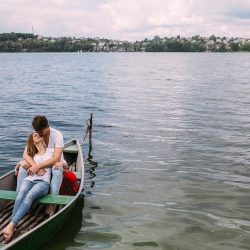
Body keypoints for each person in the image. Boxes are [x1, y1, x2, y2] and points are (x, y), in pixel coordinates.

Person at [2, 133, 53, 242]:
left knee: (29, 196)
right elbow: (21, 163)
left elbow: (62, 162)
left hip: (43, 182)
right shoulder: (32, 154)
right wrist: (20, 163)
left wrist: (60, 165)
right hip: (29, 179)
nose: (37, 135)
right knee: (20, 194)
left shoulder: (50, 151)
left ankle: (11, 225)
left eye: (39, 134)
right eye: (34, 135)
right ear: (33, 141)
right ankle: (13, 226)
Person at [16, 115, 65, 214]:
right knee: (22, 167)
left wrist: (38, 166)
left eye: (41, 132)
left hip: (54, 162)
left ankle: (52, 203)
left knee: (57, 170)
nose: (39, 135)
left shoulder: (57, 135)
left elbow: (56, 158)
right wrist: (35, 166)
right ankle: (18, 198)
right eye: (37, 132)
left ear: (47, 126)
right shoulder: (35, 135)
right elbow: (26, 154)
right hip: (38, 161)